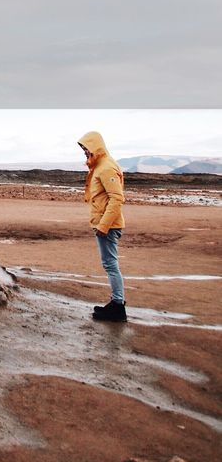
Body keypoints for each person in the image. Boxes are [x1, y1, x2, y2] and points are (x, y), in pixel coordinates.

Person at [78, 130, 126, 322]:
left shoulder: (106, 167)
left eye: (86, 148)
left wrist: (104, 226)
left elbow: (117, 198)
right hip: (104, 223)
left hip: (108, 226)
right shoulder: (100, 165)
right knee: (110, 264)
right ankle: (116, 303)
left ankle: (117, 306)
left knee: (110, 264)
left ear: (95, 147)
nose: (84, 152)